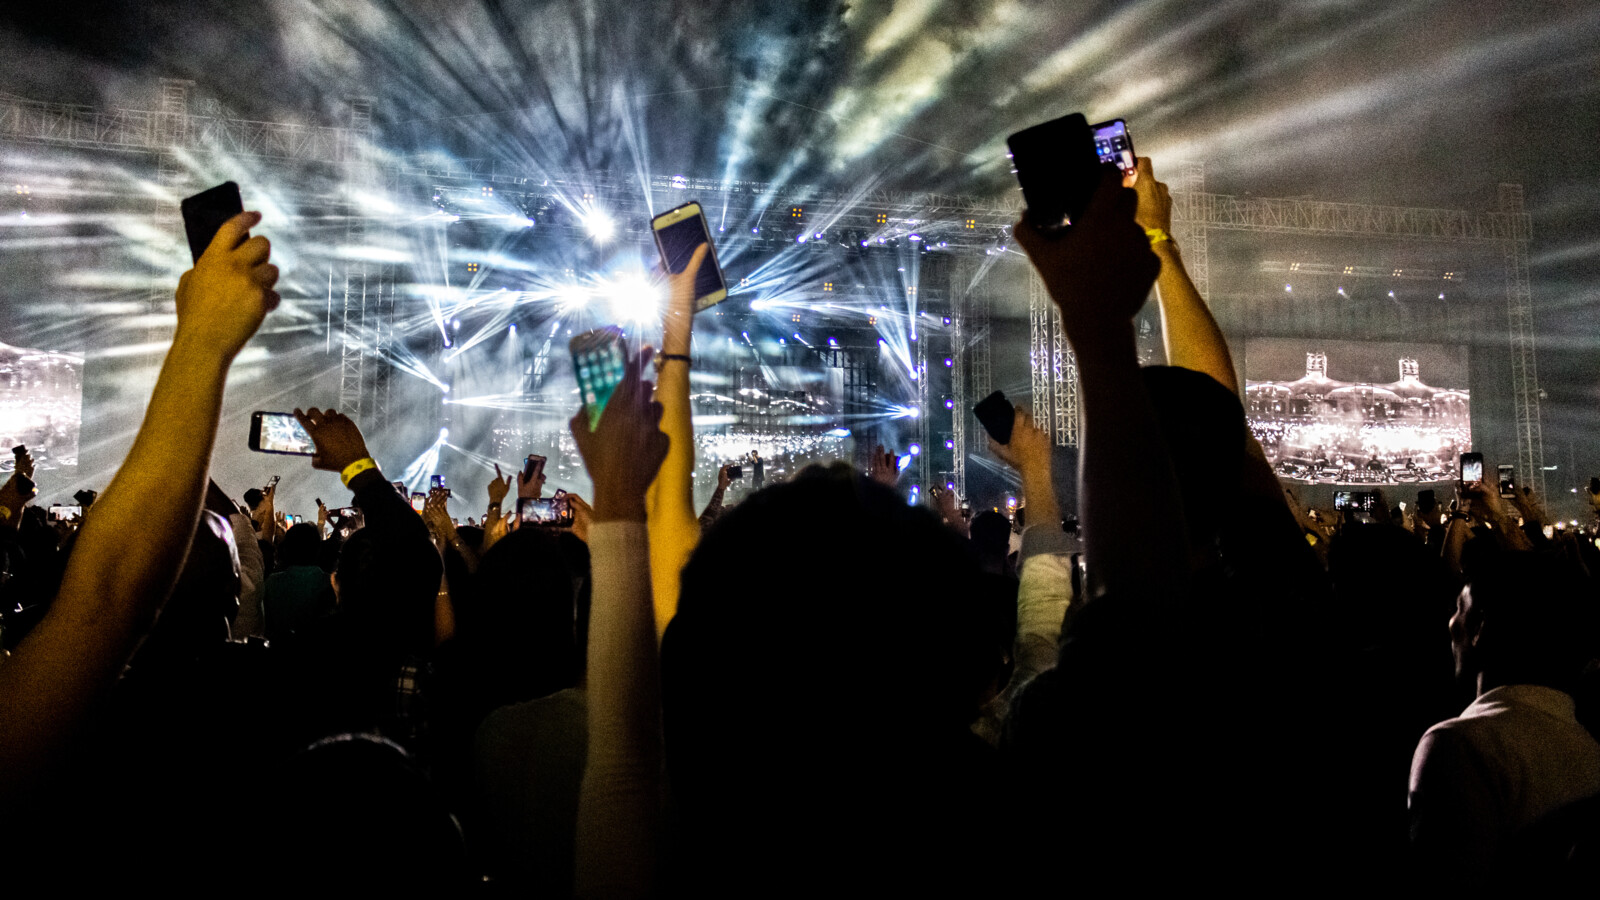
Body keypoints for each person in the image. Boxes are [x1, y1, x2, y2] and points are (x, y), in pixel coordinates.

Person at [1408, 552, 1600, 889]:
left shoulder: (1459, 747)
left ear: (1480, 625)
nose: (1450, 622)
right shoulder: (1589, 746)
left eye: (1458, 608)